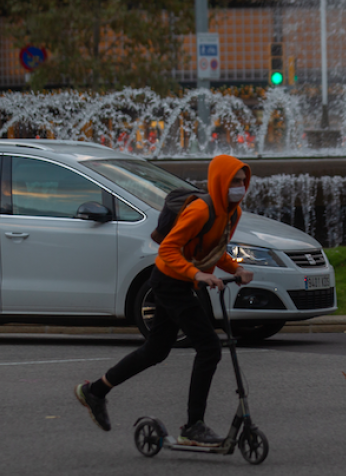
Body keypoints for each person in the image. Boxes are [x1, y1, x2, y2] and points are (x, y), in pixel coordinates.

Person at [75, 155, 254, 445]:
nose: (241, 186)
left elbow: (214, 248)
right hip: (168, 281)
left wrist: (237, 269)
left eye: (244, 181)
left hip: (183, 282)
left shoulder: (234, 213)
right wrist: (198, 274)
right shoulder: (199, 210)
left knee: (156, 350)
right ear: (220, 181)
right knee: (209, 348)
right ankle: (193, 427)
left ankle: (95, 391)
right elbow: (168, 249)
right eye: (235, 180)